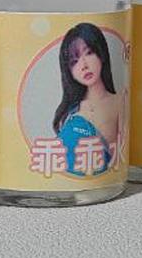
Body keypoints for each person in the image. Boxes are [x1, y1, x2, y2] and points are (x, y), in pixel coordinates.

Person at [53, 23, 126, 176]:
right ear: (69, 71)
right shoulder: (69, 113)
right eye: (74, 61)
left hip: (103, 181)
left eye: (89, 53)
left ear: (101, 53)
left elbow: (120, 157)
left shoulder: (120, 102)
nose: (84, 65)